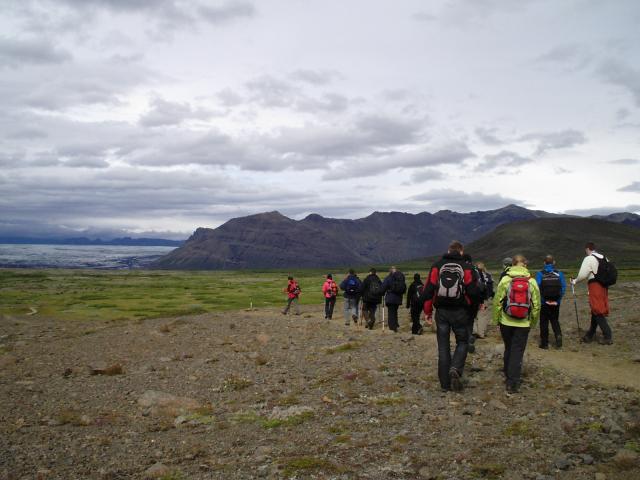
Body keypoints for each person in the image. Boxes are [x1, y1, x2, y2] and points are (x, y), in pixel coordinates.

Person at [419, 241, 479, 392]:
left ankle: (445, 384)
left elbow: (428, 291)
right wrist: (472, 311)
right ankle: (456, 368)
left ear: (448, 250)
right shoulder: (468, 267)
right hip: (461, 311)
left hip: (442, 312)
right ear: (461, 251)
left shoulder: (437, 266)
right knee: (463, 342)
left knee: (443, 347)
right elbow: (473, 292)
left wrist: (427, 312)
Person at [493, 255, 540, 394]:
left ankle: (508, 375)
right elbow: (537, 305)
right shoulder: (532, 281)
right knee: (517, 351)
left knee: (508, 347)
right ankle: (513, 382)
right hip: (523, 323)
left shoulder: (505, 280)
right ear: (525, 265)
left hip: (506, 322)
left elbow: (497, 302)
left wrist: (496, 320)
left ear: (512, 264)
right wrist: (533, 322)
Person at [572, 242, 613, 345]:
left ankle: (608, 336)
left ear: (587, 249)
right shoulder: (604, 258)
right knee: (596, 310)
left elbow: (583, 274)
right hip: (604, 286)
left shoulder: (589, 258)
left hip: (595, 285)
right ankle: (589, 335)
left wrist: (575, 281)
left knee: (597, 310)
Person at [535, 255, 566, 349]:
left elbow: (537, 288)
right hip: (556, 303)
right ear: (554, 262)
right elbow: (563, 288)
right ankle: (558, 337)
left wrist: (543, 300)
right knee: (555, 320)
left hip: (544, 303)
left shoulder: (540, 274)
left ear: (544, 263)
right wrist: (557, 300)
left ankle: (544, 343)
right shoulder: (559, 273)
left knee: (544, 322)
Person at [463, 254, 482, 353]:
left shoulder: (461, 268)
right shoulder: (476, 270)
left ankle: (464, 342)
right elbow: (481, 286)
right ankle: (469, 337)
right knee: (470, 320)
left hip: (463, 300)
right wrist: (481, 301)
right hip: (475, 300)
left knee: (463, 321)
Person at [381, 266, 406, 332]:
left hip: (390, 298)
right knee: (395, 311)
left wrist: (382, 293)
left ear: (390, 271)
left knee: (391, 313)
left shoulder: (388, 278)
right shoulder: (400, 277)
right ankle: (395, 325)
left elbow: (383, 288)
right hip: (398, 298)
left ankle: (392, 327)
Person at [473, 262, 494, 339]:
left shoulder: (474, 275)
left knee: (473, 315)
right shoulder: (488, 276)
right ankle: (481, 333)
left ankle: (474, 331)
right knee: (483, 316)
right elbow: (491, 289)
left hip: (475, 299)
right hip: (485, 299)